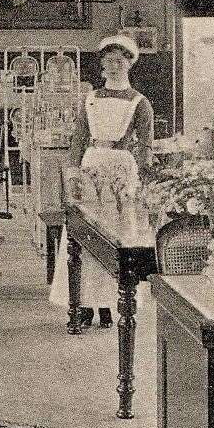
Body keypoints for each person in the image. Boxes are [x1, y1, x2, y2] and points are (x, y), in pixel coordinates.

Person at [49, 34, 155, 328]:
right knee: (84, 233)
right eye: (108, 61)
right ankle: (83, 303)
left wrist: (143, 178)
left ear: (129, 65)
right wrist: (72, 172)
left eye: (119, 61)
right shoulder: (91, 98)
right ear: (102, 65)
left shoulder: (140, 102)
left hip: (121, 168)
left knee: (115, 236)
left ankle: (110, 302)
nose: (113, 66)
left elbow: (146, 145)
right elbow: (79, 137)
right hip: (91, 163)